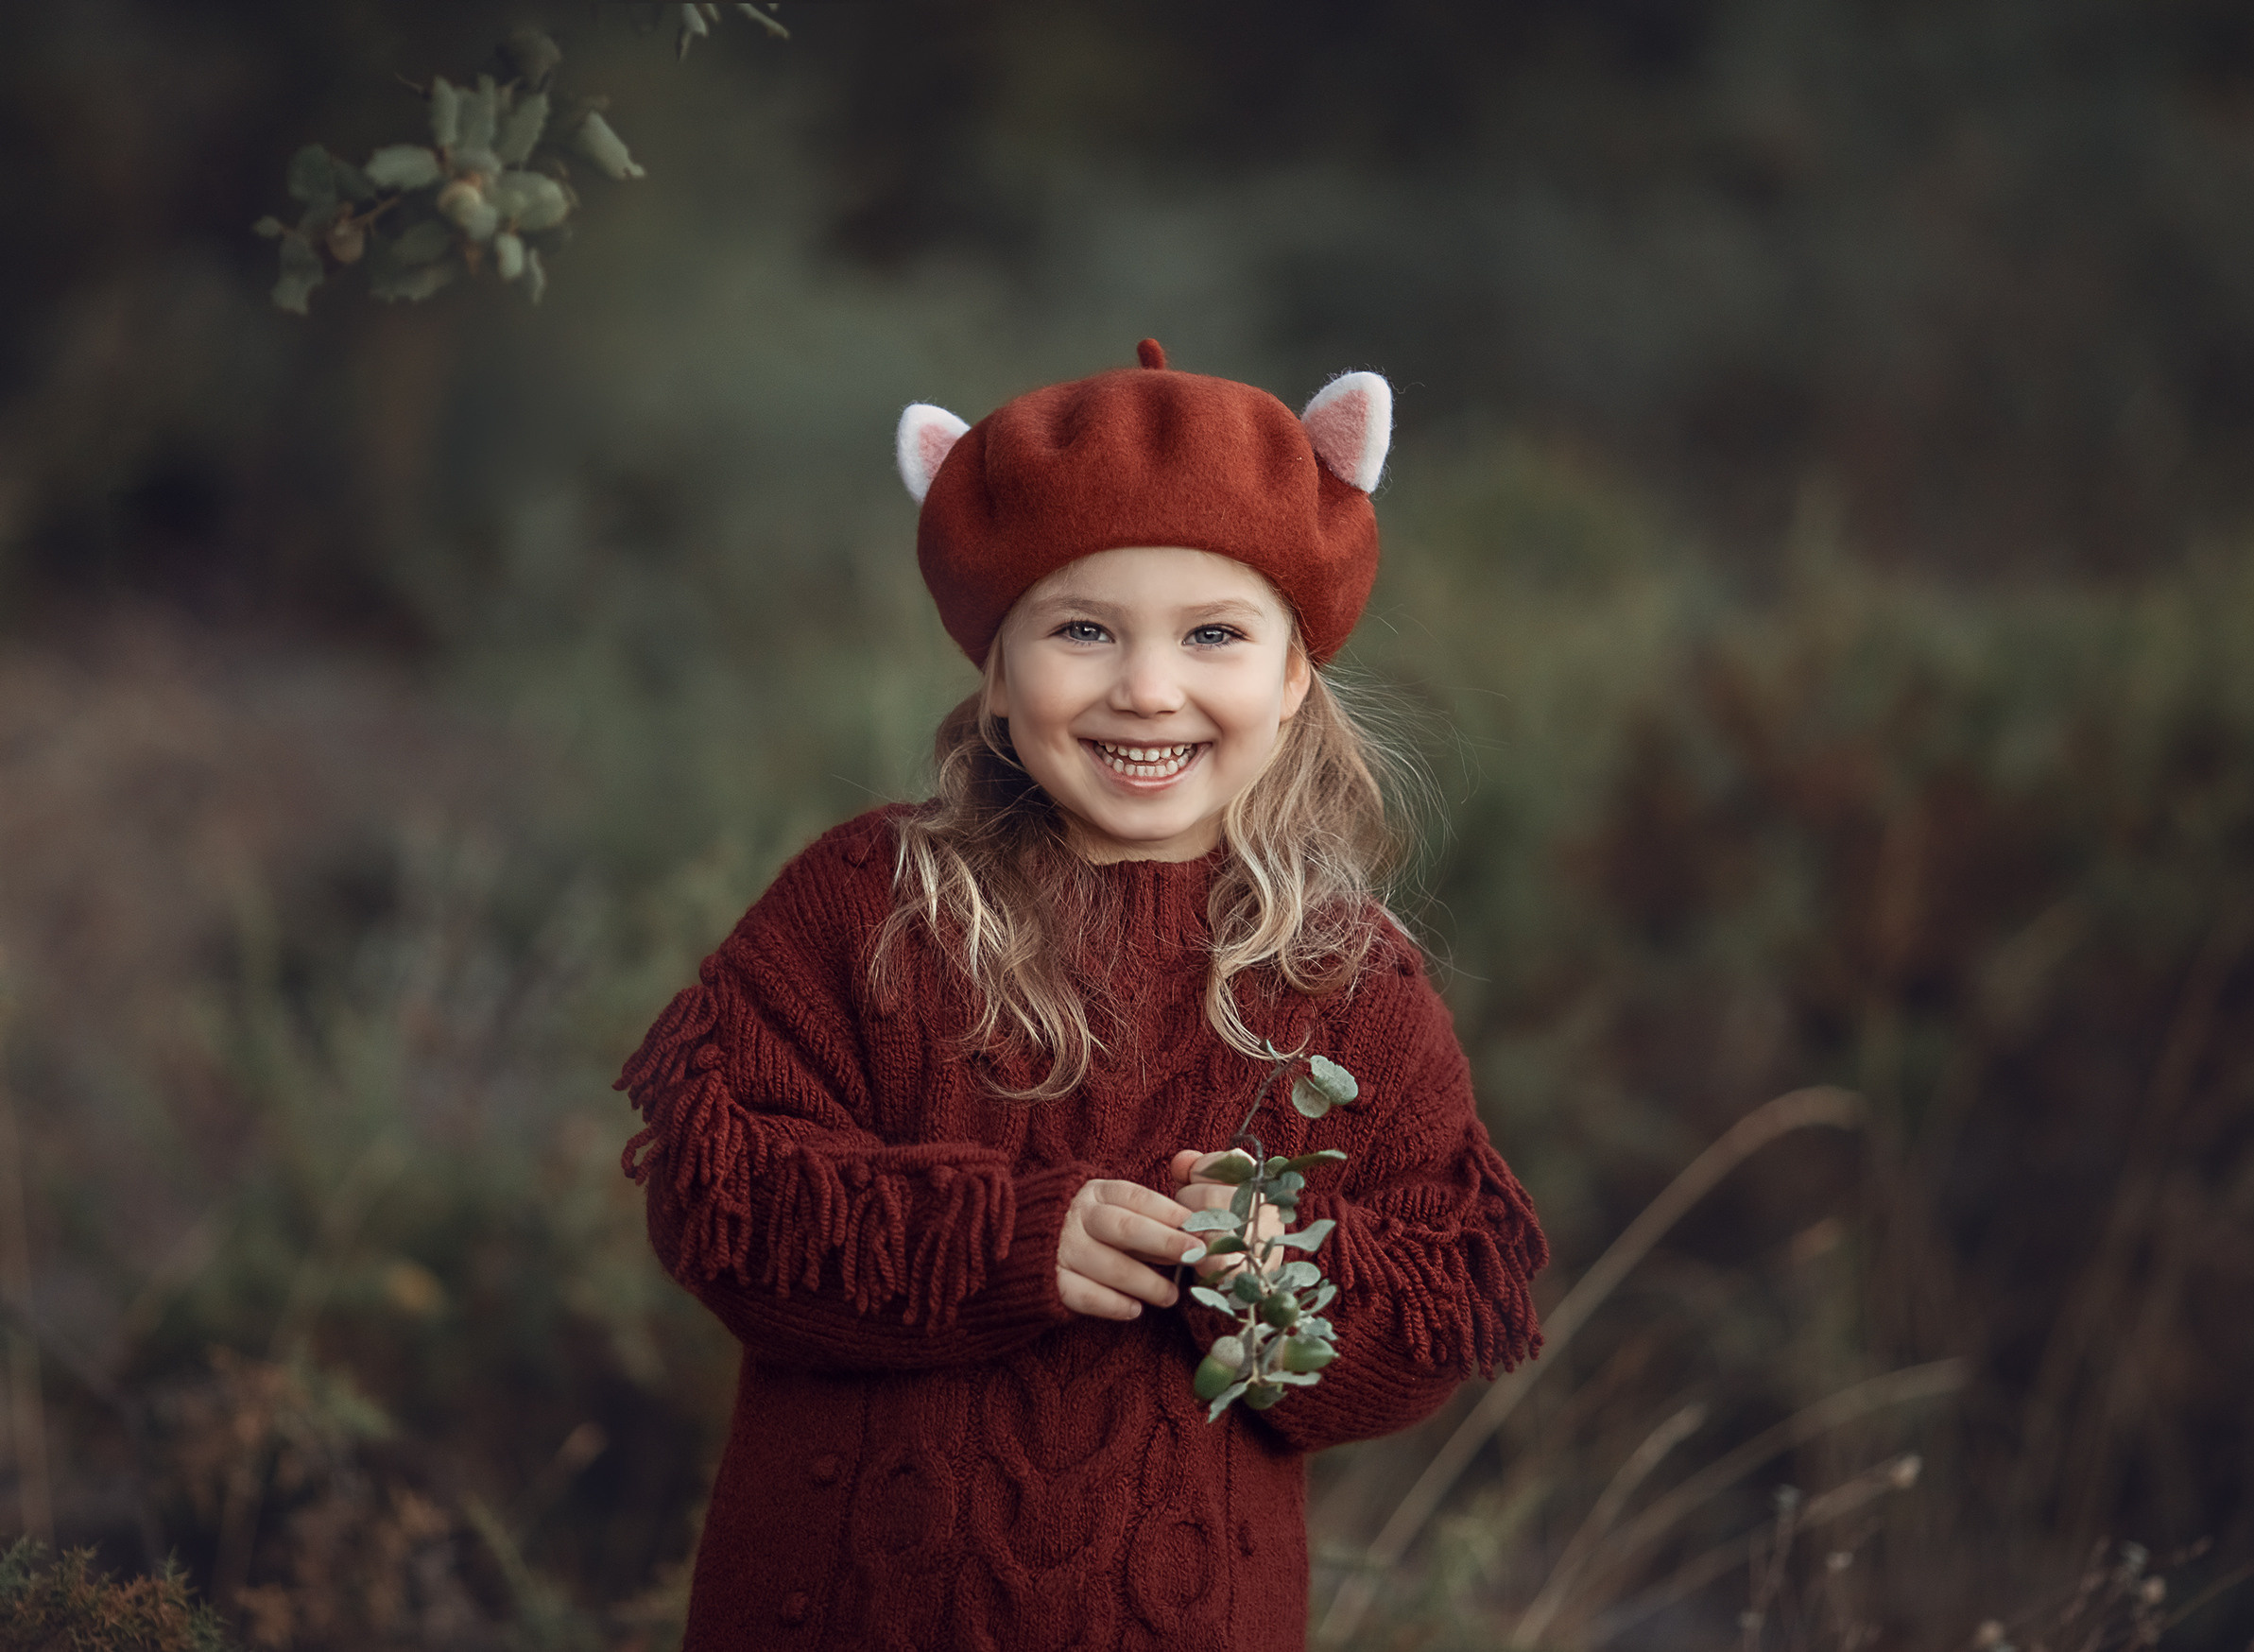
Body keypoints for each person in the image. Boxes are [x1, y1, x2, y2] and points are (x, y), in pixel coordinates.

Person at [616, 339, 1548, 1650]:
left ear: (1291, 677)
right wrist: (999, 1241)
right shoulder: (870, 906)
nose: (1147, 688)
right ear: (996, 671)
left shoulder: (1345, 980)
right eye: (1081, 630)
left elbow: (1440, 1308)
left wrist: (1275, 1279)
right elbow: (722, 1203)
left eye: (1214, 634)